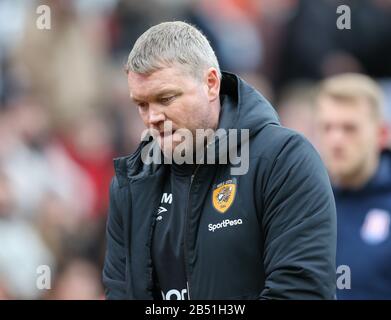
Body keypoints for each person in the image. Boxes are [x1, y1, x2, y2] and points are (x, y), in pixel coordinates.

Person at [102, 21, 336, 300]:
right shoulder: (132, 183)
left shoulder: (283, 160)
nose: (152, 117)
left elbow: (301, 293)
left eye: (165, 98)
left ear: (211, 83)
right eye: (141, 104)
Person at [315, 73, 391, 299]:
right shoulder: (302, 202)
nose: (336, 140)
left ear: (381, 134)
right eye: (327, 128)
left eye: (350, 128)